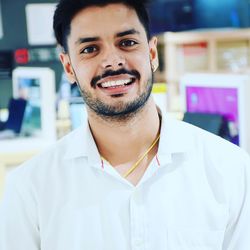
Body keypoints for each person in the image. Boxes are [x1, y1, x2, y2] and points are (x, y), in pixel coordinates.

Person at [0, 0, 250, 249]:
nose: (112, 61)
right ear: (68, 67)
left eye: (127, 43)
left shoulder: (230, 169)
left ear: (152, 54)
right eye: (90, 49)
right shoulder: (30, 187)